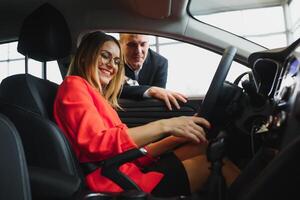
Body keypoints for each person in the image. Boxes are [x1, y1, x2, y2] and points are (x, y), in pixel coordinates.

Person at [54, 31, 240, 197]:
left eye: (117, 61)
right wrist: (165, 125)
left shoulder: (98, 96)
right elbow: (97, 143)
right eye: (105, 56)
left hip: (125, 168)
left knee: (203, 145)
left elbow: (123, 150)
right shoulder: (74, 85)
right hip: (114, 180)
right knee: (217, 164)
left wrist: (175, 138)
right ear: (86, 57)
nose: (111, 65)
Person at [119, 33, 187, 110]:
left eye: (143, 44)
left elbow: (158, 96)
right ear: (120, 44)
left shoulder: (160, 63)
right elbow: (111, 91)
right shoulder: (113, 61)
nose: (138, 51)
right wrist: (150, 90)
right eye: (132, 45)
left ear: (148, 44)